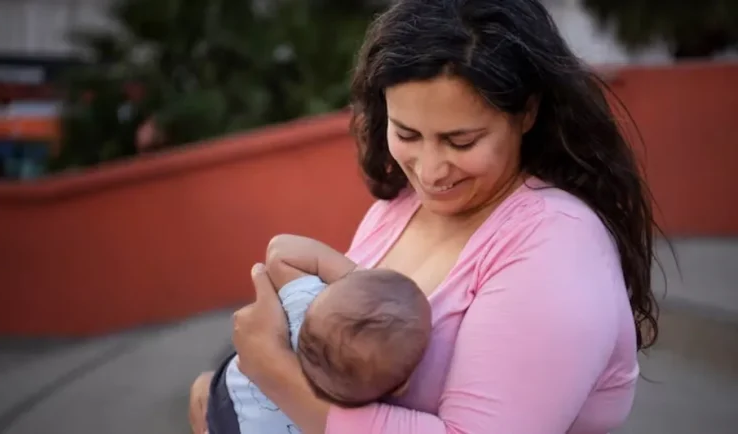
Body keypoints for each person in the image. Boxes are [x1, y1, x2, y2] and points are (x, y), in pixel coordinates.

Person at [189, 0, 660, 432]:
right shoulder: (398, 209)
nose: (430, 172)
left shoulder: (556, 249)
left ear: (527, 113)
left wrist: (274, 373)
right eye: (407, 133)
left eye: (461, 141)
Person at [211, 235, 431, 434]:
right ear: (402, 386)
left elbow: (282, 251)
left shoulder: (307, 303)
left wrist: (358, 277)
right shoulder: (375, 394)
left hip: (229, 394)